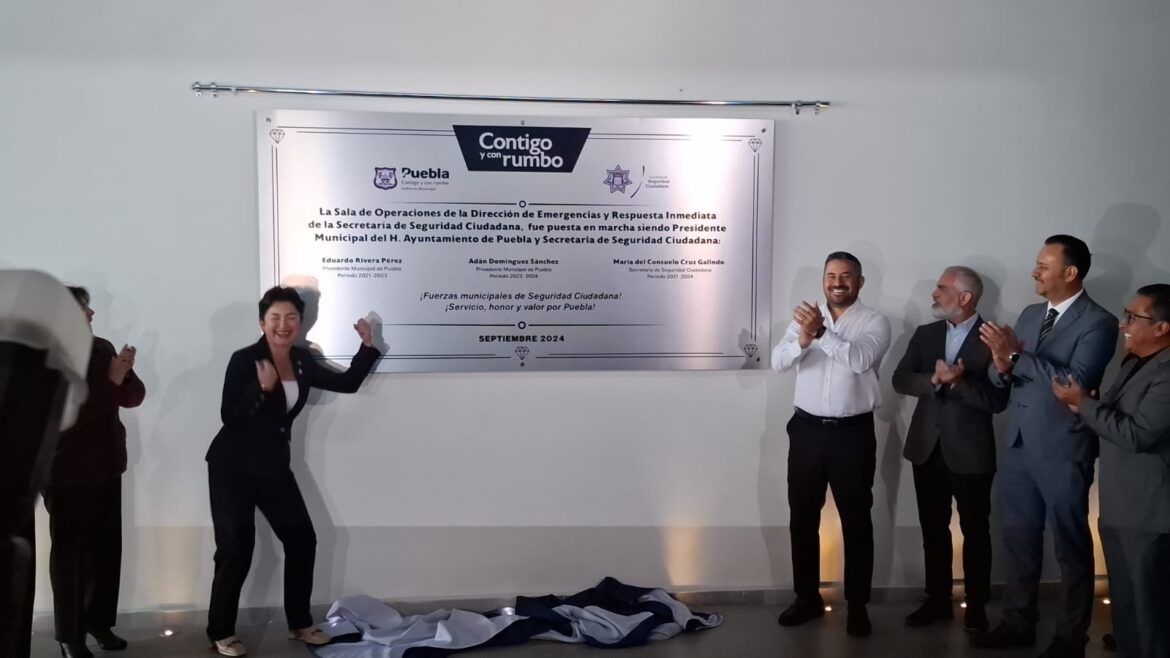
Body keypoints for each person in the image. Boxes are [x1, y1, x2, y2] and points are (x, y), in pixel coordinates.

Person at [204, 286, 380, 657]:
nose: (283, 325)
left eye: (291, 317)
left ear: (300, 322)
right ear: (262, 322)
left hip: (273, 467)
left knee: (302, 540)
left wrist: (367, 346)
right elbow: (228, 415)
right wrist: (260, 388)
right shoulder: (244, 359)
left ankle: (299, 623)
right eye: (275, 317)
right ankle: (220, 631)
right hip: (232, 467)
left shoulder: (302, 360)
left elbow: (346, 383)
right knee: (236, 550)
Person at [974, 235, 1118, 658]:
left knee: (1070, 546)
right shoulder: (1030, 313)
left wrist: (1016, 359)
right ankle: (1017, 623)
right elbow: (1004, 376)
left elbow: (1074, 382)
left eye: (1043, 266)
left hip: (1063, 446)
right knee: (1019, 540)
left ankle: (1070, 638)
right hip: (1019, 444)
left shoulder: (1099, 322)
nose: (1034, 272)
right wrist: (1001, 365)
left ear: (1070, 273)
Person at [771, 251, 891, 638]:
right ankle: (806, 598)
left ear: (860, 282)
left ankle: (857, 606)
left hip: (853, 434)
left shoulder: (875, 321)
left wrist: (821, 334)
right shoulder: (806, 318)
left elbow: (860, 360)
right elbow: (778, 361)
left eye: (846, 276)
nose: (837, 282)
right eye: (831, 275)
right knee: (803, 518)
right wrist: (803, 339)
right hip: (806, 431)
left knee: (856, 521)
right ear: (823, 280)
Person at [1053, 284, 1170, 658]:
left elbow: (1137, 435)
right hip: (1119, 505)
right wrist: (1083, 408)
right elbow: (1111, 418)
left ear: (1162, 327)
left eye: (1133, 317)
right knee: (1126, 606)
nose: (1124, 325)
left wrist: (1084, 405)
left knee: (1150, 610)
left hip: (1149, 512)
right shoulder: (1134, 362)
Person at [892, 266, 1007, 632]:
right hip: (927, 447)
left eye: (941, 288)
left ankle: (977, 607)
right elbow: (900, 379)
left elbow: (998, 400)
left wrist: (959, 384)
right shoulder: (925, 334)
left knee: (976, 531)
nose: (934, 294)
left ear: (965, 297)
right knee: (933, 529)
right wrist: (934, 379)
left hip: (972, 451)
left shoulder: (994, 337)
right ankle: (938, 600)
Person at [43, 286, 145, 658]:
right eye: (83, 308)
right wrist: (112, 382)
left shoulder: (102, 348)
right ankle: (69, 636)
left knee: (106, 551)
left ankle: (98, 622)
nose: (91, 313)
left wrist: (126, 376)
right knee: (69, 557)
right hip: (65, 473)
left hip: (106, 467)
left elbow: (133, 398)